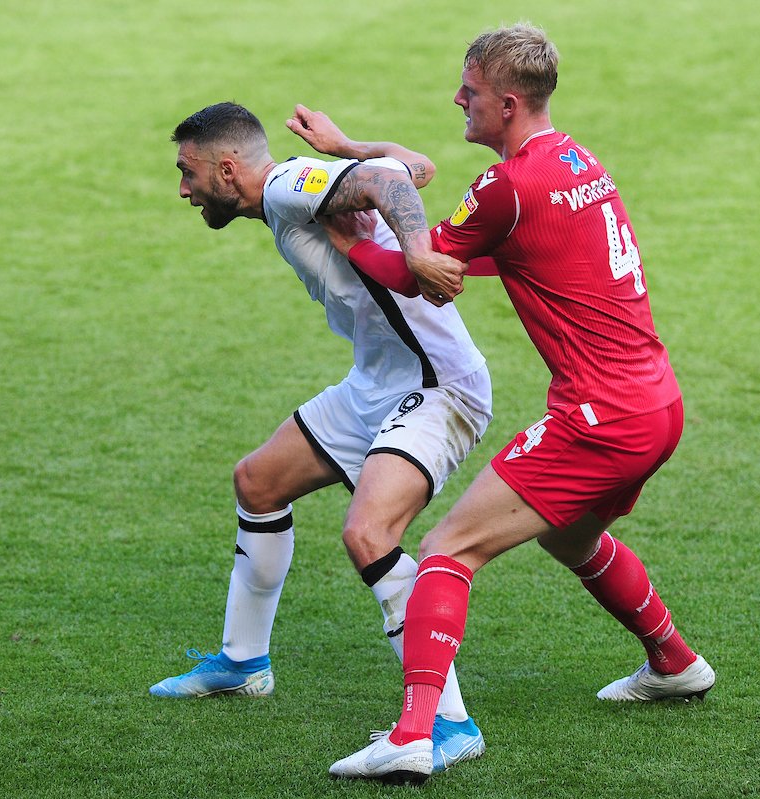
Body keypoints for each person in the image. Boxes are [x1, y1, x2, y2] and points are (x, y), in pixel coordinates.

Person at [287, 24, 716, 784]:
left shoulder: (507, 185)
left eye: (471, 90)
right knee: (572, 539)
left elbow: (424, 271)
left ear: (507, 103)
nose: (459, 98)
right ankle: (675, 661)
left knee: (449, 550)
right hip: (657, 403)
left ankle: (416, 731)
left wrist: (350, 239)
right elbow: (476, 253)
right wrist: (356, 153)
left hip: (598, 417)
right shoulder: (575, 160)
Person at [150, 101, 493, 773]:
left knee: (369, 534)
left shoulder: (283, 186)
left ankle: (449, 720)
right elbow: (415, 167)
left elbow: (392, 186)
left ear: (227, 168)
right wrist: (350, 146)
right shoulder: (302, 188)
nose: (184, 189)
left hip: (436, 385)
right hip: (378, 380)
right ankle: (244, 660)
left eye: (190, 173)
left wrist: (416, 250)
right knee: (258, 482)